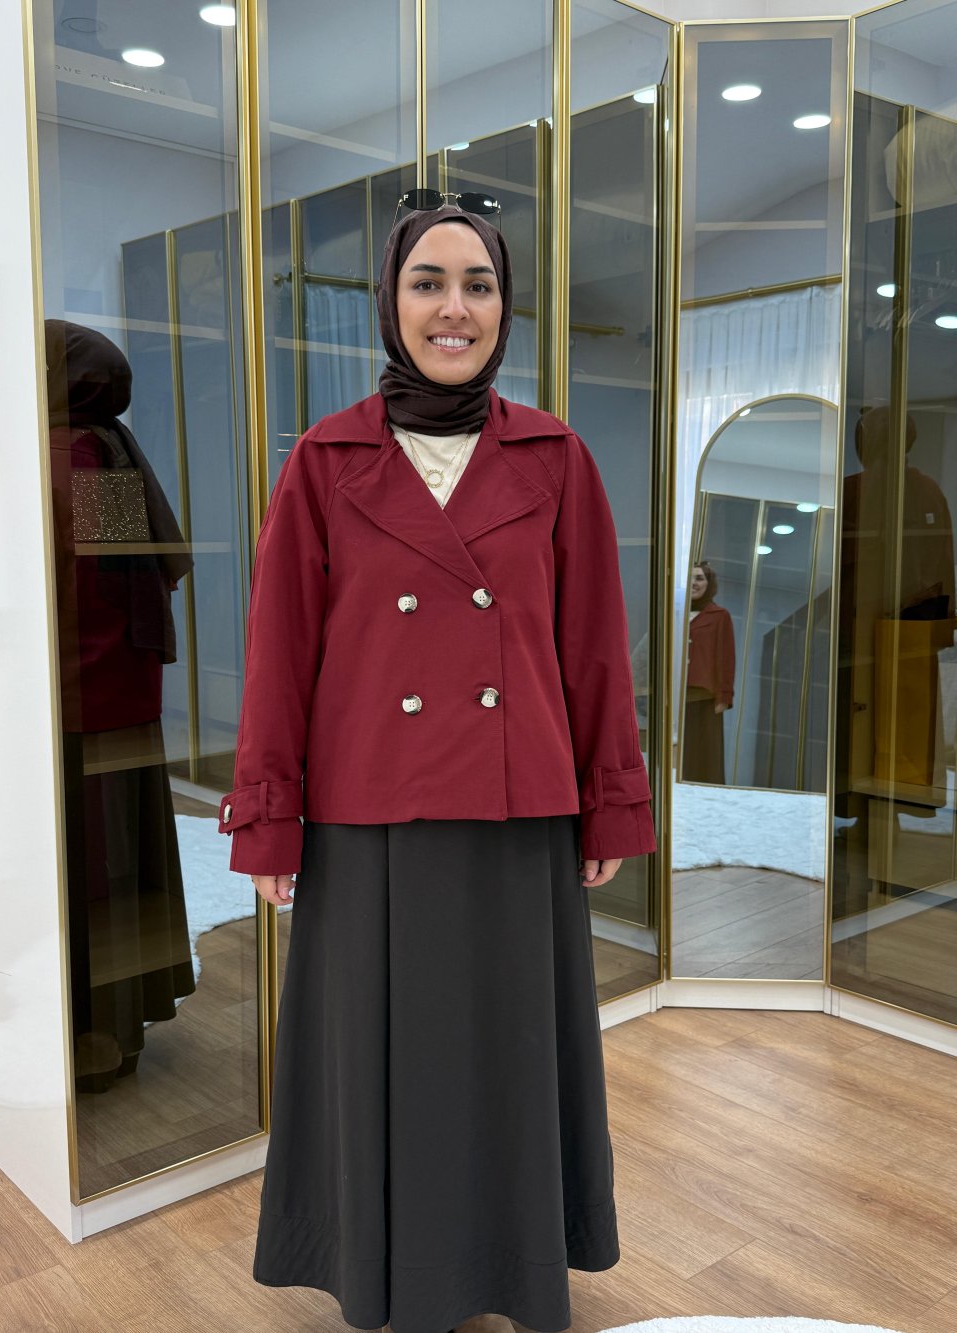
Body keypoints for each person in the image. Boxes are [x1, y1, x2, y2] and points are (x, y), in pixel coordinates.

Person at [218, 204, 656, 1333]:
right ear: (390, 301)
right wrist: (267, 817)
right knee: (391, 1058)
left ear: (504, 306)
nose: (453, 307)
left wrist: (610, 802)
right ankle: (388, 1273)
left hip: (517, 812)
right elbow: (280, 652)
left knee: (505, 1055)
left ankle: (508, 1269)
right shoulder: (326, 459)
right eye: (427, 282)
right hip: (371, 813)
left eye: (477, 283)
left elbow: (594, 646)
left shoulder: (555, 456)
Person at [46, 320, 196, 1094]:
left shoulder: (69, 452)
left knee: (91, 871)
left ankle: (93, 1036)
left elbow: (81, 592)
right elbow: (114, 584)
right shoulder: (105, 447)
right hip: (118, 694)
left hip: (78, 703)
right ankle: (117, 1030)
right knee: (119, 862)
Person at [681, 560, 735, 785]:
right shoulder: (675, 611)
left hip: (704, 697)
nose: (694, 583)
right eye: (690, 578)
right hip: (675, 695)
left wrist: (724, 696)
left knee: (704, 756)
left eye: (700, 578)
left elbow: (726, 657)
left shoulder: (719, 615)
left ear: (709, 583)